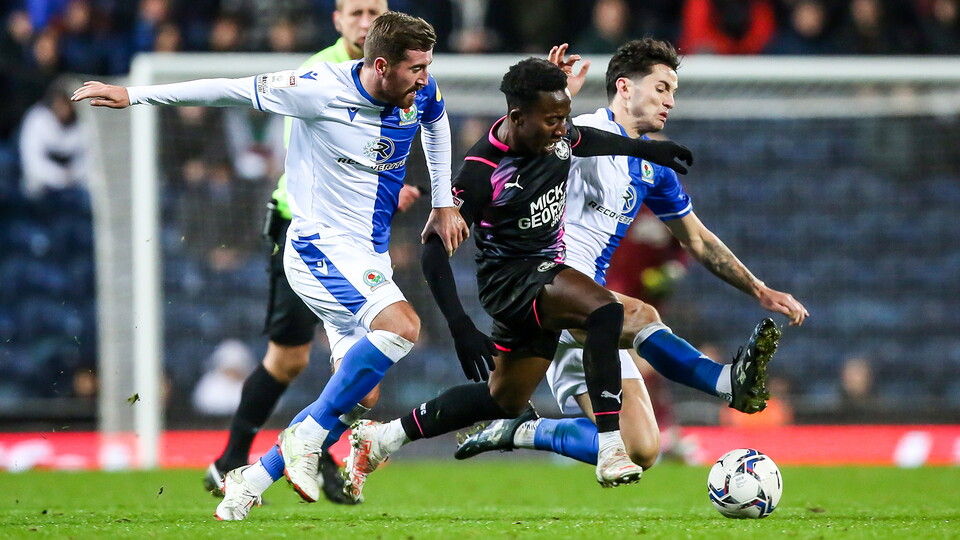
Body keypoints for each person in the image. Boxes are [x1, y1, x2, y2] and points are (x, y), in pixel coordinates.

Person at [73, 10, 469, 520]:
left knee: (360, 394)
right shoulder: (317, 88)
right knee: (403, 326)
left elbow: (436, 123)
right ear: (380, 65)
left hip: (366, 255)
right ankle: (306, 438)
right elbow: (228, 90)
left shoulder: (419, 90)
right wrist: (134, 95)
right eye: (416, 68)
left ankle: (250, 480)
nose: (425, 78)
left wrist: (443, 202)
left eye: (427, 66)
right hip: (317, 248)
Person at [339, 55, 695, 503]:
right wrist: (460, 325)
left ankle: (383, 437)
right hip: (512, 283)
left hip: (544, 277)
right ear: (516, 118)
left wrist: (647, 150)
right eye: (552, 121)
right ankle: (610, 447)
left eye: (564, 118)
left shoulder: (556, 136)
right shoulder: (482, 170)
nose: (562, 130)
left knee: (503, 399)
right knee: (605, 311)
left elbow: (587, 139)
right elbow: (432, 252)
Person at [455, 39, 808, 471]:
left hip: (595, 311)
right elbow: (514, 139)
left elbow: (697, 239)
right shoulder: (576, 131)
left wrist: (759, 289)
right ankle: (722, 380)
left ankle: (523, 430)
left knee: (642, 449)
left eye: (672, 92)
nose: (670, 101)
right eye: (661, 88)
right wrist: (551, 90)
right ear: (624, 87)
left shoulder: (652, 166)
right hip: (552, 288)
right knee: (642, 316)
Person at [200, 0, 419, 505]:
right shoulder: (317, 75)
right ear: (337, 20)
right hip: (304, 226)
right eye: (356, 12)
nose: (366, 22)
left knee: (364, 371)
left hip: (358, 233)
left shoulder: (403, 75)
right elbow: (313, 153)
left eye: (375, 12)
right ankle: (240, 458)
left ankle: (304, 452)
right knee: (290, 358)